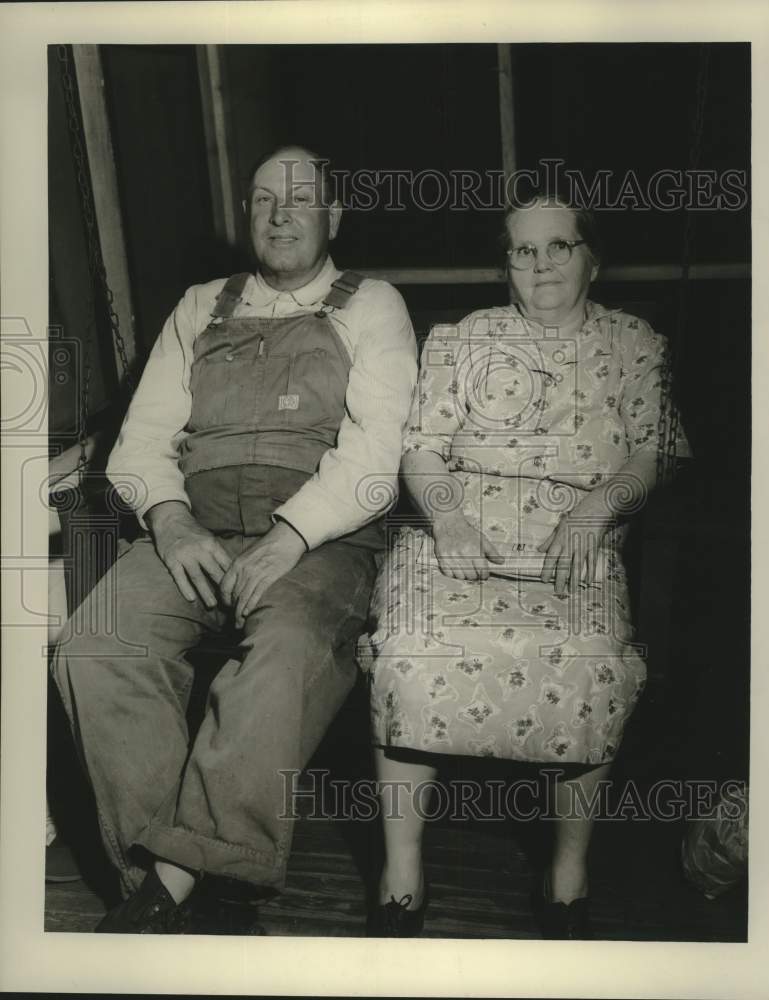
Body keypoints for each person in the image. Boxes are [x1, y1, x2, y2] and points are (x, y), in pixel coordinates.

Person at [51, 145, 418, 933]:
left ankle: (186, 886)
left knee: (284, 653)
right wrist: (171, 521)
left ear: (334, 215)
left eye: (300, 198)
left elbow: (377, 455)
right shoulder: (200, 304)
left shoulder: (372, 304)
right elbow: (142, 440)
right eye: (260, 200)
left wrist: (291, 536)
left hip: (322, 537)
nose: (279, 214)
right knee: (93, 646)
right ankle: (163, 888)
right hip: (200, 528)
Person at [360, 191, 691, 938]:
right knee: (407, 655)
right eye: (522, 250)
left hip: (574, 537)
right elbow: (421, 446)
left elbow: (656, 450)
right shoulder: (463, 339)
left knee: (591, 661)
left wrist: (601, 504)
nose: (540, 265)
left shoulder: (636, 343)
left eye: (559, 247)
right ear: (504, 264)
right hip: (458, 534)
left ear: (592, 259)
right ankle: (401, 869)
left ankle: (567, 870)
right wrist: (445, 517)